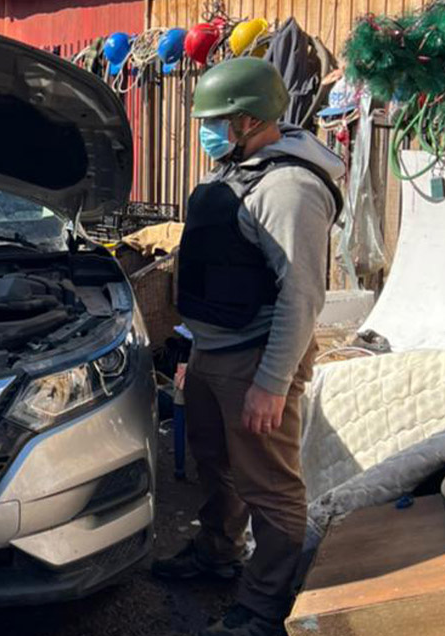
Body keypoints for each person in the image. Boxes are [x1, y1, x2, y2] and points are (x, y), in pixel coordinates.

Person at [152, 58, 344, 636]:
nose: (206, 130)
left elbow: (303, 295)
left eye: (216, 120)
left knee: (270, 485)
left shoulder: (289, 188)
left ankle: (263, 605)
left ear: (248, 121)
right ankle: (217, 554)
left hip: (258, 354)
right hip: (214, 347)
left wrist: (272, 382)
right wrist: (194, 348)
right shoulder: (236, 169)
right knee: (216, 464)